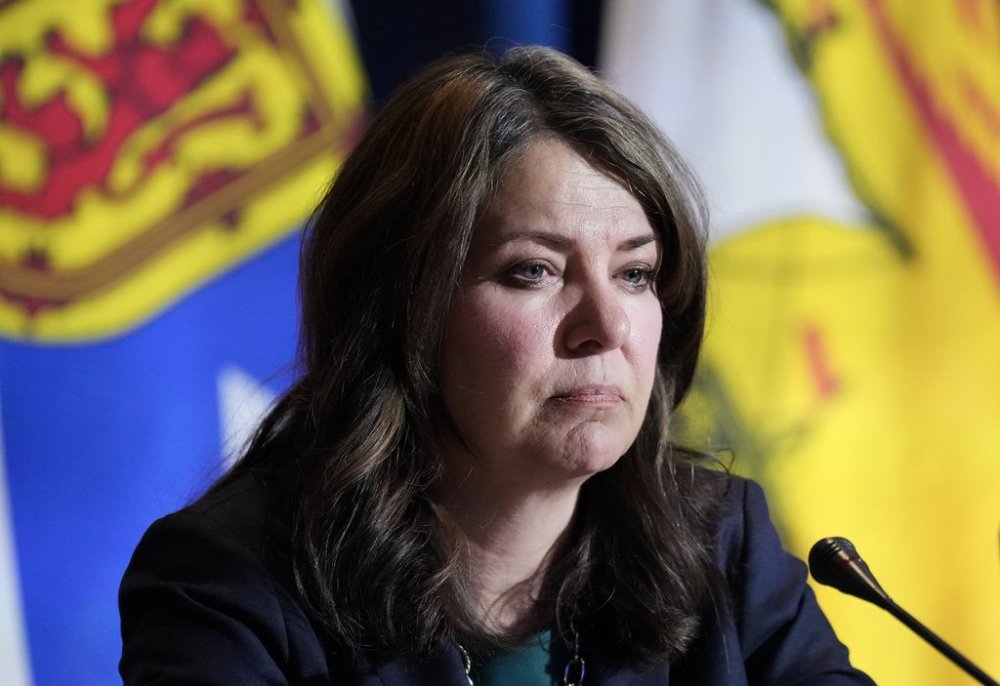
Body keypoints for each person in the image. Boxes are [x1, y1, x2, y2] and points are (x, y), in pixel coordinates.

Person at [119, 46, 874, 685]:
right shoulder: (230, 584)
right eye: (534, 271)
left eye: (635, 274)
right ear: (404, 307)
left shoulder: (718, 542)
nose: (607, 326)